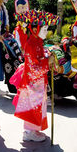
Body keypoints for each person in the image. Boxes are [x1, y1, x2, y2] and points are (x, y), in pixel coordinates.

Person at [11, 10, 60, 142]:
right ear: (34, 29)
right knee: (32, 106)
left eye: (47, 29)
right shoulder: (31, 44)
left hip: (37, 82)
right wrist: (47, 61)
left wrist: (49, 58)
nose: (46, 31)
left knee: (38, 105)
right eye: (44, 29)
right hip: (32, 82)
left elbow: (40, 62)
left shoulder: (38, 42)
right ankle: (28, 132)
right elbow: (33, 68)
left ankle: (33, 130)